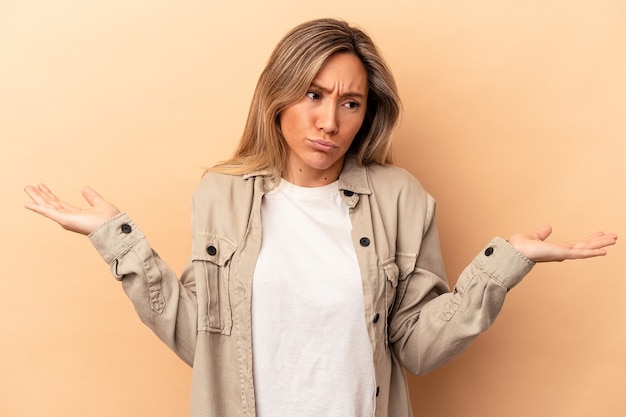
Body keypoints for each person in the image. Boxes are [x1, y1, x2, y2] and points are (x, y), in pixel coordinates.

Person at [24, 18, 616, 417]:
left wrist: (503, 266)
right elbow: (202, 340)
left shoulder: (400, 198)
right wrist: (117, 242)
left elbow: (416, 348)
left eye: (350, 102)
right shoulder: (220, 195)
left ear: (366, 114)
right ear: (278, 96)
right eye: (313, 94)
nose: (329, 121)